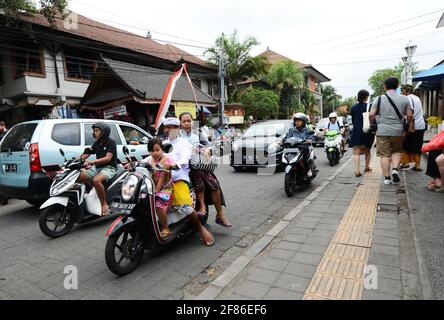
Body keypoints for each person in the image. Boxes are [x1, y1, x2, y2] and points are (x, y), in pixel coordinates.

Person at [162, 117, 215, 246]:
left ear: (176, 128)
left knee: (185, 207)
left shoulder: (184, 143)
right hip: (163, 179)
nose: (166, 130)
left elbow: (185, 159)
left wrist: (175, 164)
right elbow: (153, 155)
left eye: (169, 127)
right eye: (165, 127)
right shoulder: (163, 144)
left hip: (179, 178)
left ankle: (201, 229)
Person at [179, 112, 232, 228]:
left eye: (189, 121)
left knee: (214, 184)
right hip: (184, 169)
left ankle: (220, 214)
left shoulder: (197, 134)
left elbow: (209, 145)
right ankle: (202, 206)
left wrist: (208, 150)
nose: (187, 123)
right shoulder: (176, 136)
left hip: (200, 166)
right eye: (184, 121)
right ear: (180, 123)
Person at [370, 77, 414, 185]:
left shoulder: (379, 98)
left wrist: (372, 125)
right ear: (397, 86)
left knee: (384, 155)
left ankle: (387, 178)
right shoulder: (405, 98)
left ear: (385, 86)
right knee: (397, 151)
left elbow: (371, 114)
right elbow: (409, 115)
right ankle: (395, 169)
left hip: (382, 130)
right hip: (398, 131)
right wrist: (409, 125)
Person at [79, 122, 118, 216]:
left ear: (104, 132)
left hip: (110, 168)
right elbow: (86, 154)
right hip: (98, 168)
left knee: (96, 180)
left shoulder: (111, 142)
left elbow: (108, 158)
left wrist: (93, 162)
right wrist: (75, 160)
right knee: (78, 177)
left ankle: (104, 203)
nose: (94, 132)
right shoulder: (97, 143)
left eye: (96, 130)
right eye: (94, 131)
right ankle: (87, 197)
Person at [142, 138, 175, 238]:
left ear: (162, 149)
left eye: (157, 150)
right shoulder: (148, 159)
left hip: (166, 188)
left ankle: (165, 228)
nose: (154, 153)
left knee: (158, 205)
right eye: (151, 151)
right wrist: (130, 165)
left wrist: (171, 165)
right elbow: (140, 164)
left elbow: (163, 176)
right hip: (151, 187)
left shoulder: (167, 159)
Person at [399, 84, 427, 171]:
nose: (401, 93)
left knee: (405, 145)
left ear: (407, 91)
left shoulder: (407, 98)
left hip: (411, 126)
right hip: (420, 125)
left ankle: (405, 163)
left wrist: (408, 124)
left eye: (402, 91)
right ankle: (417, 165)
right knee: (417, 145)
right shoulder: (417, 98)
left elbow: (409, 114)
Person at [349, 90, 375, 177]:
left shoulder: (353, 108)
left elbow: (353, 121)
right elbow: (372, 118)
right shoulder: (369, 106)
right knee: (367, 151)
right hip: (367, 131)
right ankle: (367, 167)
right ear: (366, 97)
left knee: (356, 151)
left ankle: (357, 171)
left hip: (356, 131)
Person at [286, 113, 315, 177]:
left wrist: (309, 140)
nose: (297, 122)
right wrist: (283, 141)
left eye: (299, 121)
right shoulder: (292, 130)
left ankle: (308, 169)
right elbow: (288, 138)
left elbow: (311, 137)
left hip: (304, 147)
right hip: (294, 147)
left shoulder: (307, 129)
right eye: (296, 121)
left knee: (304, 157)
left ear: (303, 122)